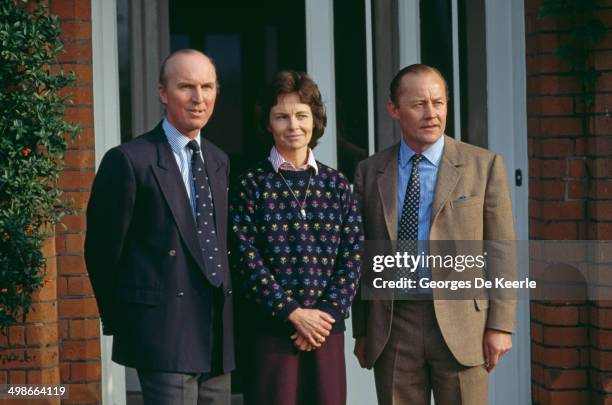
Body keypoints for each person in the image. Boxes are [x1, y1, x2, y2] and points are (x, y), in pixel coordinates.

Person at [351, 64, 516, 404]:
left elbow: (501, 250)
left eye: (438, 103)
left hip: (462, 324)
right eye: (418, 104)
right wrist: (363, 328)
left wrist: (501, 324)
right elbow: (361, 255)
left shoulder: (484, 166)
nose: (431, 113)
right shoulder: (369, 172)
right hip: (395, 323)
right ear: (394, 110)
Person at [85, 49, 234, 405]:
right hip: (163, 334)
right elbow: (103, 251)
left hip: (216, 334)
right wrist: (127, 320)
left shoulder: (218, 159)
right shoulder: (128, 160)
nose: (199, 98)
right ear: (163, 93)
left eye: (207, 87)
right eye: (187, 87)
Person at [230, 70, 363, 405]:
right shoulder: (251, 185)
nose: (293, 125)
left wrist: (325, 314)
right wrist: (292, 312)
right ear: (267, 123)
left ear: (315, 121)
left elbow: (353, 254)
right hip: (272, 330)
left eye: (302, 115)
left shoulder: (337, 185)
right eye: (281, 116)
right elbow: (245, 257)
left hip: (325, 331)